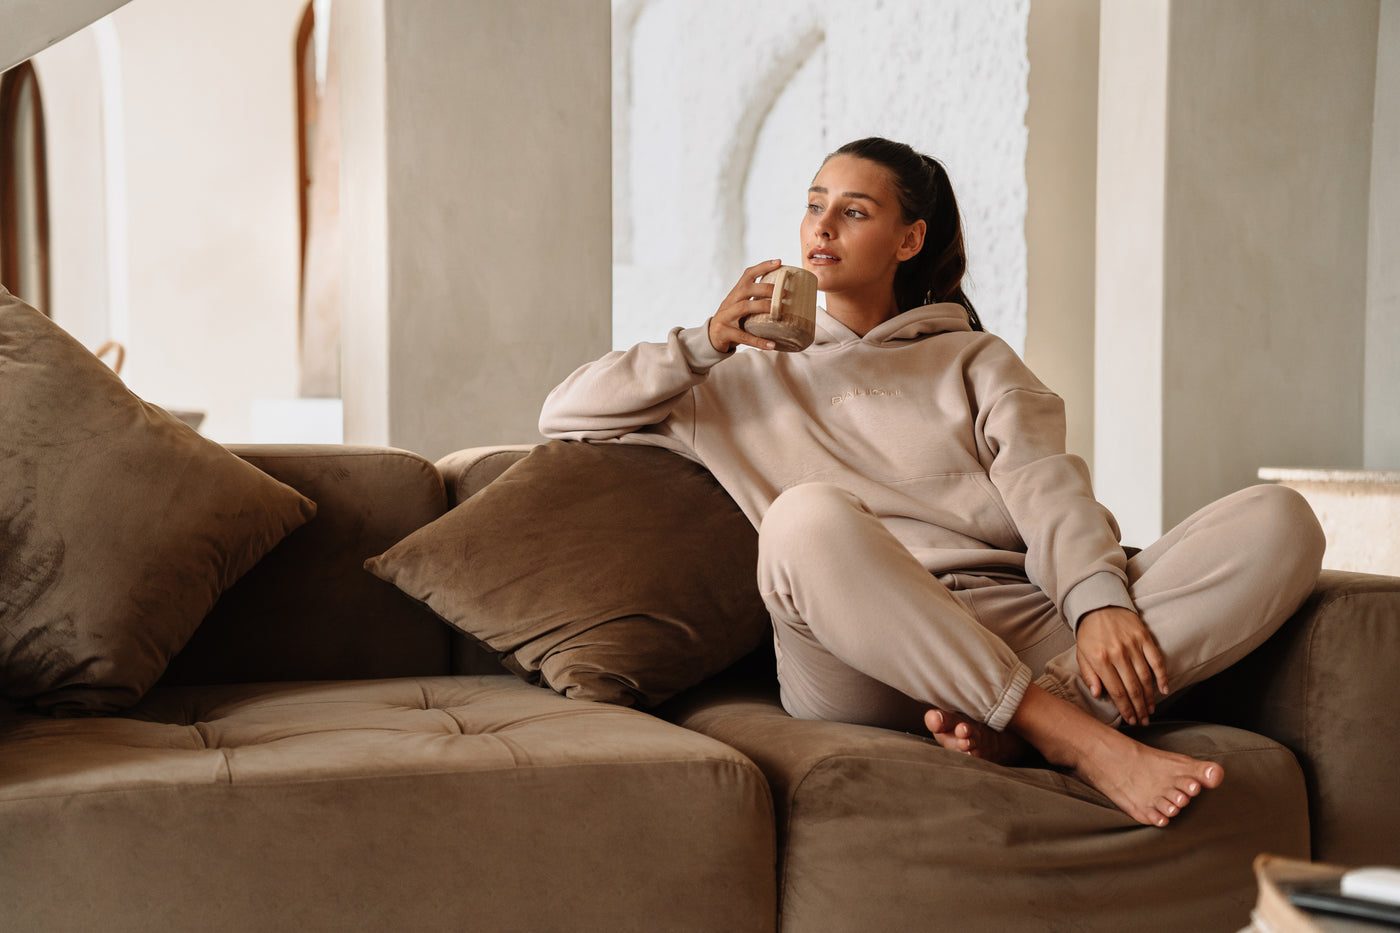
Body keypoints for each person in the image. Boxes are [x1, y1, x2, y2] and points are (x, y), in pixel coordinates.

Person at [539, 136, 1325, 828]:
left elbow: (1049, 490)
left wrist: (1097, 603)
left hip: (1017, 623)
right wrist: (703, 341)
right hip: (858, 658)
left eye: (853, 211)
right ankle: (1072, 735)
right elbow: (563, 411)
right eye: (814, 204)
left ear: (909, 239)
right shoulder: (732, 379)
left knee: (1281, 517)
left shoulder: (976, 360)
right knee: (805, 517)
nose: (821, 225)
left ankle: (1021, 718)